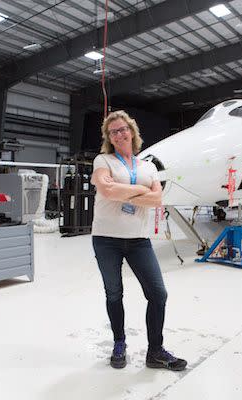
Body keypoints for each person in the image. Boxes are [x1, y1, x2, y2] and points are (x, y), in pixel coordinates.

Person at [90, 110, 187, 371]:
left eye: (123, 129)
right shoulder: (103, 160)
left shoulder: (148, 166)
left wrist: (124, 192)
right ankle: (119, 343)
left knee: (158, 294)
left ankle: (155, 351)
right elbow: (106, 190)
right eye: (114, 131)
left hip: (138, 240)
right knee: (114, 294)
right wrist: (142, 190)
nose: (120, 134)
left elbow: (157, 200)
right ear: (108, 137)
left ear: (132, 132)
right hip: (106, 239)